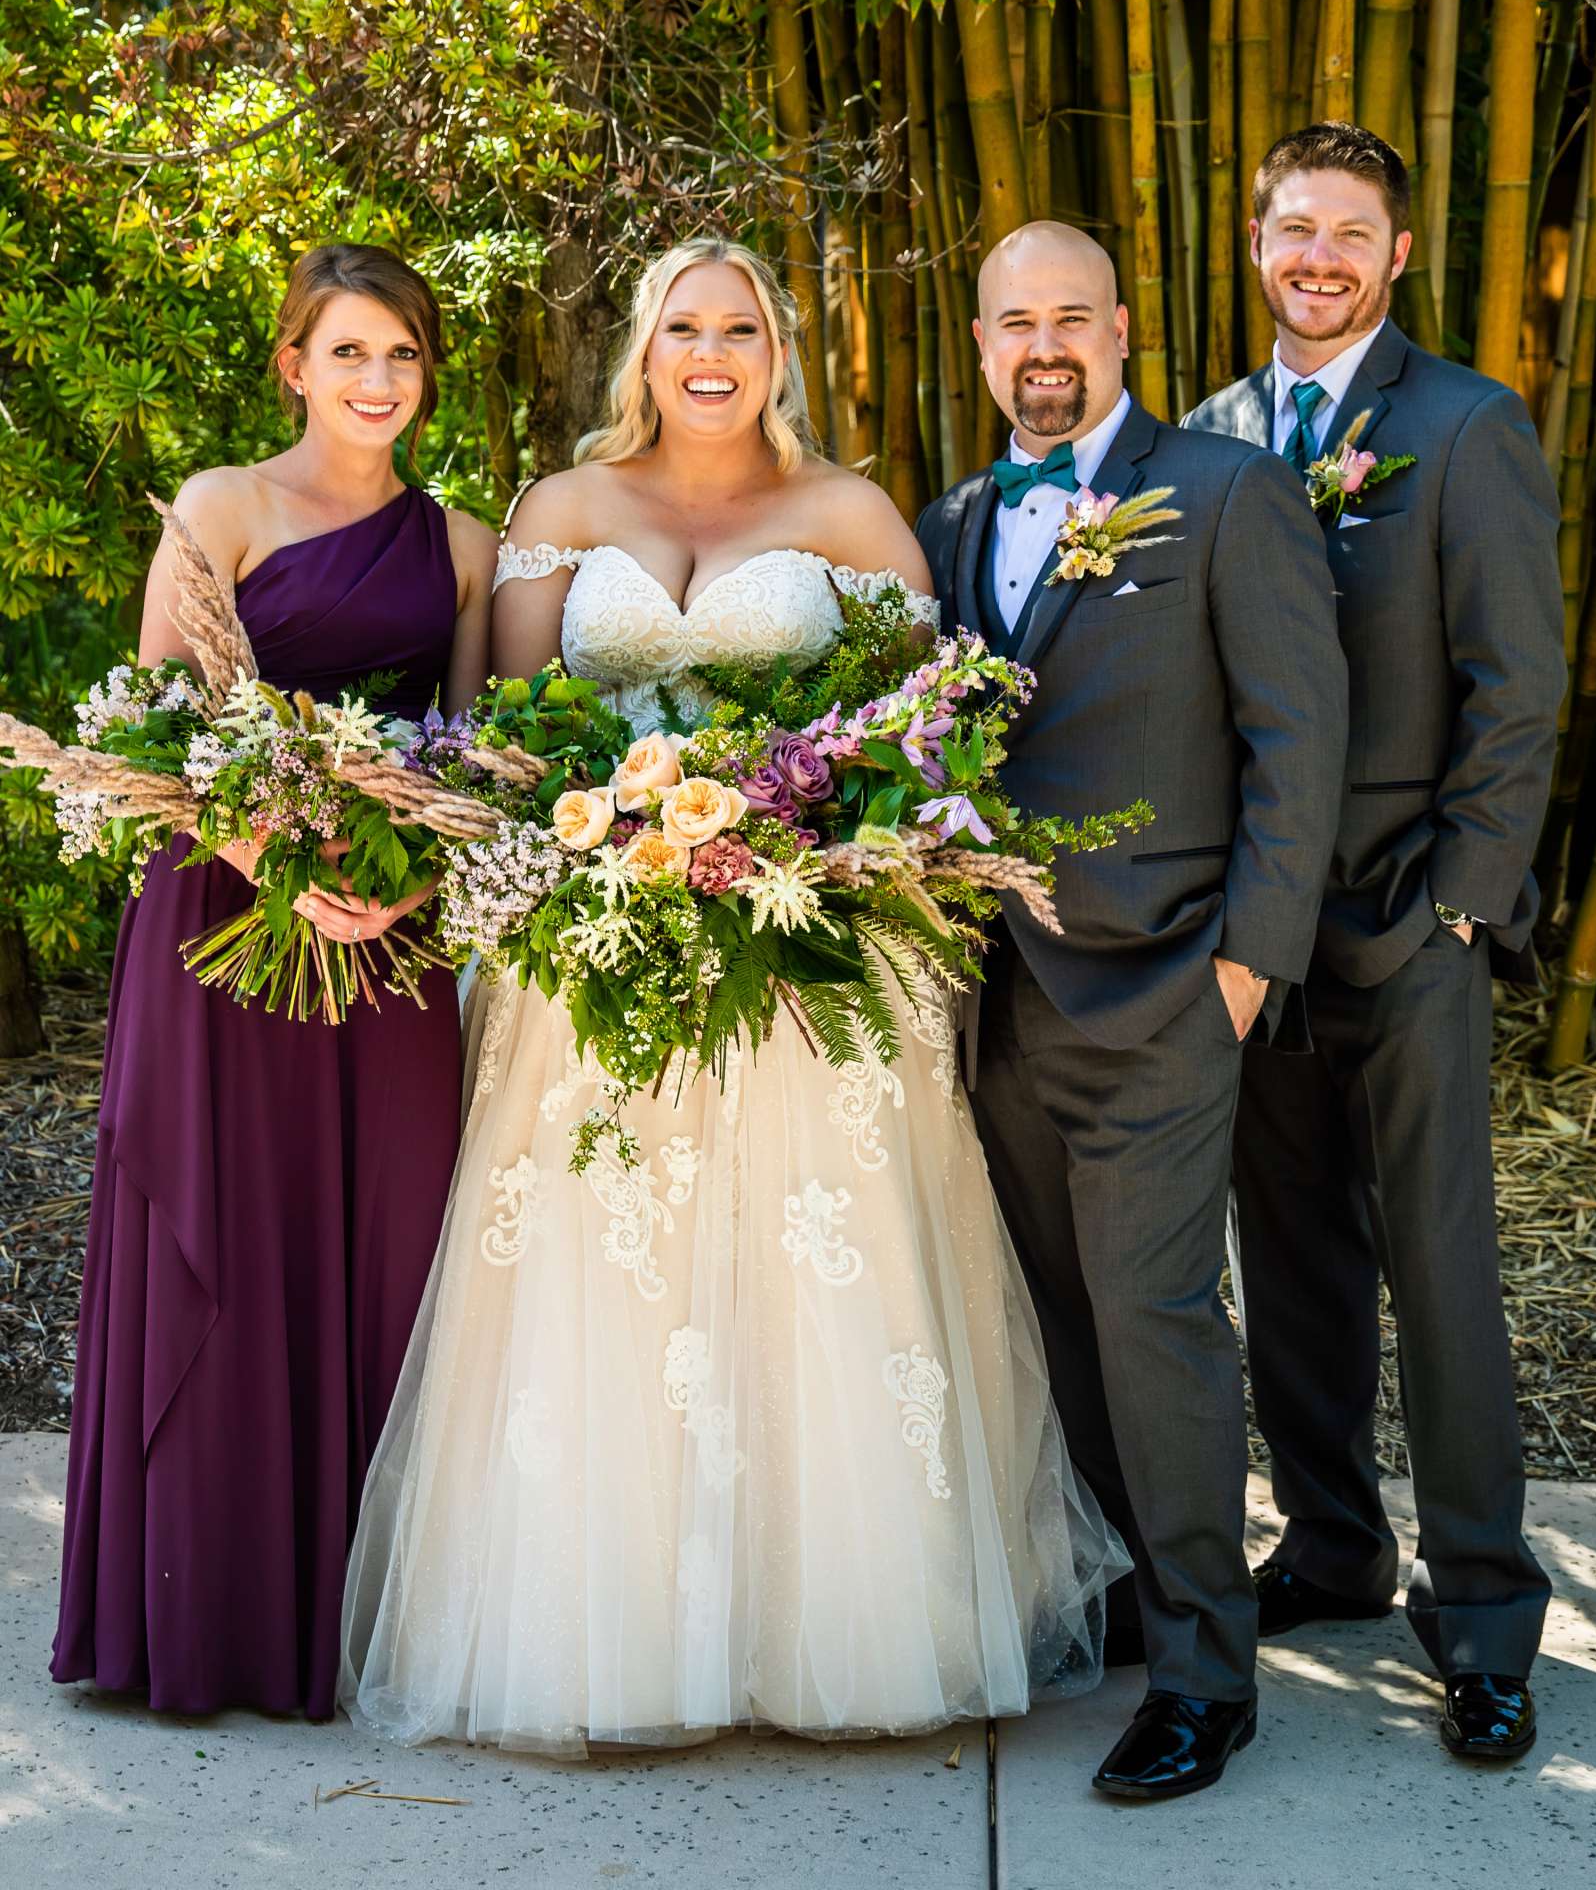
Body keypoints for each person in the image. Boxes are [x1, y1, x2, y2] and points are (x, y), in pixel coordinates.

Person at [339, 236, 1127, 1756]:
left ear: (780, 352)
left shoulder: (847, 514)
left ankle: (833, 1629)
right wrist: (609, 844)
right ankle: (618, 1637)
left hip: (807, 952)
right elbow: (505, 738)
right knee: (608, 1275)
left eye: (743, 328)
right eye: (684, 327)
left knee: (811, 1270)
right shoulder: (564, 512)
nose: (713, 352)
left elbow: (924, 742)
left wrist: (799, 840)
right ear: (643, 352)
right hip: (594, 947)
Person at [917, 220, 1347, 1802]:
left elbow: (1298, 742)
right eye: (1014, 322)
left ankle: (1202, 1675)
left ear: (1121, 329)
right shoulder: (951, 519)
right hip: (996, 995)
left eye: (1072, 319)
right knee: (1057, 1319)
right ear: (979, 344)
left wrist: (1247, 964)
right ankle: (1110, 1601)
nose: (1044, 347)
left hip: (1169, 977)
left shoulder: (1229, 495)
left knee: (1159, 1318)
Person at [52, 243, 495, 1718]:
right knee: (233, 1249)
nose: (379, 383)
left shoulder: (468, 544)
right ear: (294, 364)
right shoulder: (220, 507)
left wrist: (414, 875)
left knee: (390, 1246)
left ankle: (361, 1621)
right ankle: (215, 1618)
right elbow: (153, 734)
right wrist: (268, 850)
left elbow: (481, 749)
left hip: (393, 947)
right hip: (223, 931)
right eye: (350, 353)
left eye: (406, 357)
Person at [1185, 122, 1565, 1764]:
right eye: (1291, 229)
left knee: (1443, 1268)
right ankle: (1336, 1548)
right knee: (1295, 1266)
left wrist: (1467, 900)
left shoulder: (1467, 426)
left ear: (1397, 253)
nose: (1318, 257)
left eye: (1350, 232)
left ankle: (1481, 1611)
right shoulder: (1199, 438)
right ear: (1254, 246)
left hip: (1413, 911)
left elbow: (1520, 686)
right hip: (1256, 924)